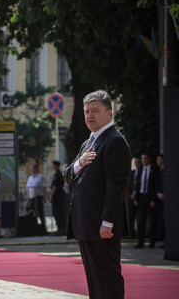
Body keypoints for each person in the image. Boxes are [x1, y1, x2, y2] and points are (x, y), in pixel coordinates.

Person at [64, 90, 131, 299]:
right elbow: (67, 176)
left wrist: (108, 221)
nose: (89, 116)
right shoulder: (88, 142)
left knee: (107, 278)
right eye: (86, 111)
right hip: (85, 223)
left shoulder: (114, 141)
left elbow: (116, 185)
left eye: (95, 111)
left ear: (109, 113)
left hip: (102, 225)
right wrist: (78, 164)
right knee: (94, 280)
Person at [134, 153, 159, 248]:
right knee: (140, 221)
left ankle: (152, 242)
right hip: (141, 198)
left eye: (145, 158)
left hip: (150, 198)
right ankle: (140, 242)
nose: (143, 160)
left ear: (149, 159)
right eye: (142, 158)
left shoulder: (154, 170)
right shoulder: (140, 170)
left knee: (152, 220)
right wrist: (136, 198)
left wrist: (154, 199)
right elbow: (137, 184)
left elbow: (156, 185)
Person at [127, 157, 142, 239]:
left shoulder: (142, 172)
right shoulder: (131, 173)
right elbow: (128, 185)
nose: (137, 163)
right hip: (131, 198)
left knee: (140, 218)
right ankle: (131, 234)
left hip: (140, 198)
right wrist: (131, 194)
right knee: (130, 217)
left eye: (138, 162)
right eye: (135, 162)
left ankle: (139, 235)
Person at [49, 161, 66, 235]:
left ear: (57, 166)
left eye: (54, 165)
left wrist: (51, 196)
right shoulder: (57, 174)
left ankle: (60, 228)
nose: (52, 166)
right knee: (57, 212)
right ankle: (60, 227)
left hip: (57, 196)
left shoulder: (58, 175)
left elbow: (55, 187)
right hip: (58, 196)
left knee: (57, 212)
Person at [155, 154, 164, 245]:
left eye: (158, 159)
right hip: (160, 199)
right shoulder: (159, 171)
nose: (157, 161)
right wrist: (158, 193)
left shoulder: (166, 171)